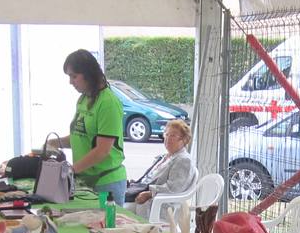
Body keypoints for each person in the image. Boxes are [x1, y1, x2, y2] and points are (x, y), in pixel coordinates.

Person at [48, 50, 127, 205]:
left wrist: (70, 170)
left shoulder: (108, 103)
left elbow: (102, 150)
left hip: (106, 182)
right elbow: (80, 136)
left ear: (88, 74)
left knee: (105, 228)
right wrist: (55, 143)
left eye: (74, 76)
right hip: (85, 181)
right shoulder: (83, 99)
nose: (71, 82)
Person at [129, 119, 196, 218]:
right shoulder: (165, 157)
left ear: (184, 140)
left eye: (173, 135)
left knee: (117, 208)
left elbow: (174, 188)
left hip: (160, 204)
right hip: (140, 192)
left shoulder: (183, 160)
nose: (168, 138)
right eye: (166, 134)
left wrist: (150, 193)